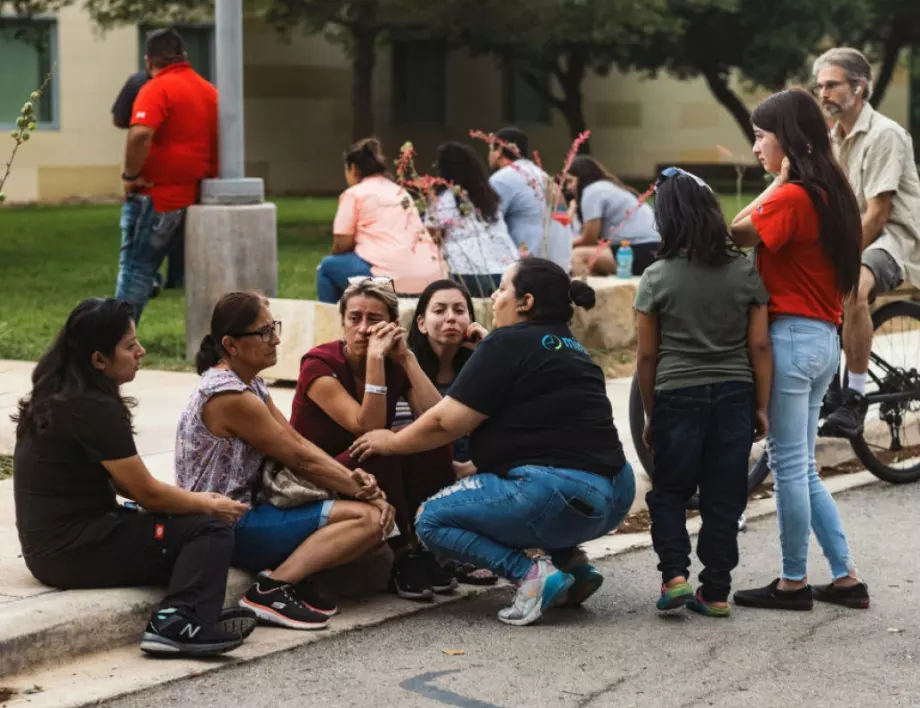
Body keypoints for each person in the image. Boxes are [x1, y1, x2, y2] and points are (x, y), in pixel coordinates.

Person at [350, 258, 637, 626]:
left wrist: (389, 442)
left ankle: (530, 575)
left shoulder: (508, 342)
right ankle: (573, 567)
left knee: (431, 519)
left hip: (559, 494)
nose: (494, 296)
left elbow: (444, 422)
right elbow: (538, 434)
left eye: (502, 288)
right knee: (521, 492)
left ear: (526, 302)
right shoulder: (572, 347)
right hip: (614, 495)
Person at [13, 298, 253, 657]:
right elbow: (146, 493)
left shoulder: (63, 395)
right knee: (209, 528)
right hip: (73, 552)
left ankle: (194, 610)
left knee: (180, 527)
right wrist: (207, 503)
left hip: (58, 547)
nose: (140, 351)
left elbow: (129, 486)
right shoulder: (93, 408)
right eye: (129, 346)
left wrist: (178, 508)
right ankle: (177, 622)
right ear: (99, 360)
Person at [176, 292, 396, 630]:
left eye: (273, 327)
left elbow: (297, 441)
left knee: (371, 516)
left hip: (250, 511)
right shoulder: (230, 395)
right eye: (264, 332)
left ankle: (287, 577)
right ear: (231, 345)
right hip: (226, 524)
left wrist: (357, 482)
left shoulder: (251, 385)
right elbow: (299, 459)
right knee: (370, 520)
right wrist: (366, 494)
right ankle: (271, 589)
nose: (276, 338)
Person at [729, 88, 869, 610]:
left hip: (790, 340)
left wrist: (775, 186)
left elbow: (732, 235)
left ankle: (792, 582)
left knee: (788, 466)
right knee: (800, 465)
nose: (755, 147)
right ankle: (845, 578)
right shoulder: (832, 192)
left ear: (786, 138)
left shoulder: (792, 197)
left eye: (761, 136)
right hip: (822, 342)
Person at [635, 168, 772, 617]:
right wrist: (762, 405)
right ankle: (715, 592)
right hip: (734, 394)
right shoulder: (744, 272)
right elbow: (759, 345)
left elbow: (647, 358)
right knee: (723, 496)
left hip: (677, 395)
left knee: (670, 491)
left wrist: (652, 414)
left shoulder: (656, 277)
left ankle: (674, 577)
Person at [290, 279, 459, 600]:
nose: (364, 329)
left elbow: (440, 419)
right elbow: (365, 426)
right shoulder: (319, 365)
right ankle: (403, 553)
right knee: (378, 447)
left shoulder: (393, 362)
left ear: (394, 326)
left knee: (430, 443)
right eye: (355, 319)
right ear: (342, 323)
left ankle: (427, 541)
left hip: (363, 473)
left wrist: (406, 357)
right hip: (314, 478)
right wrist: (375, 362)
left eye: (375, 320)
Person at [812, 48, 920, 438]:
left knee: (852, 286)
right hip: (855, 234)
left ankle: (855, 398)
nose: (823, 93)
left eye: (832, 85)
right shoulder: (828, 140)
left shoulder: (885, 135)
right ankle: (827, 385)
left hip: (895, 237)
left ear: (859, 88)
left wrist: (836, 257)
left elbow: (877, 214)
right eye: (820, 85)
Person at [115, 28, 217, 324]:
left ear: (149, 61)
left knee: (136, 268)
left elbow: (139, 134)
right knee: (150, 268)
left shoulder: (157, 87)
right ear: (184, 56)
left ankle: (115, 339)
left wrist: (129, 175)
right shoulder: (209, 91)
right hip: (191, 197)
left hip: (155, 196)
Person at [404, 279, 498, 586]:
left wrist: (489, 349)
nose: (450, 318)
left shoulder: (479, 363)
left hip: (471, 461)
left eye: (460, 310)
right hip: (426, 457)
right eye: (439, 310)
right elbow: (432, 424)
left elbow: (508, 420)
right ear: (421, 322)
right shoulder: (406, 364)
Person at [317, 138, 444, 304]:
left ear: (353, 169)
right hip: (431, 276)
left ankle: (336, 326)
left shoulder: (354, 194)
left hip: (390, 280)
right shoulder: (401, 192)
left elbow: (342, 243)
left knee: (326, 268)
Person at [111, 67, 183, 297]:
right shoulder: (187, 85)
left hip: (146, 164)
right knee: (174, 219)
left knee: (139, 222)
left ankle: (149, 277)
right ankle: (175, 276)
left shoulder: (139, 81)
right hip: (177, 164)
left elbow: (120, 120)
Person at [424, 142, 519, 297]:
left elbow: (432, 239)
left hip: (467, 273)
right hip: (505, 271)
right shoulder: (489, 197)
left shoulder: (444, 199)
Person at [487, 127, 573, 273]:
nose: (488, 155)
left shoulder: (501, 179)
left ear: (500, 149)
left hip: (530, 270)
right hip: (562, 266)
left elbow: (488, 227)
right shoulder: (543, 176)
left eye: (490, 149)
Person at [565, 155, 661, 277]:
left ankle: (583, 295)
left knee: (577, 256)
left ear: (582, 178)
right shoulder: (607, 187)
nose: (568, 188)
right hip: (653, 248)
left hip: (641, 249)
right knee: (593, 265)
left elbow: (588, 238)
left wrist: (563, 245)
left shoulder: (592, 191)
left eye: (570, 181)